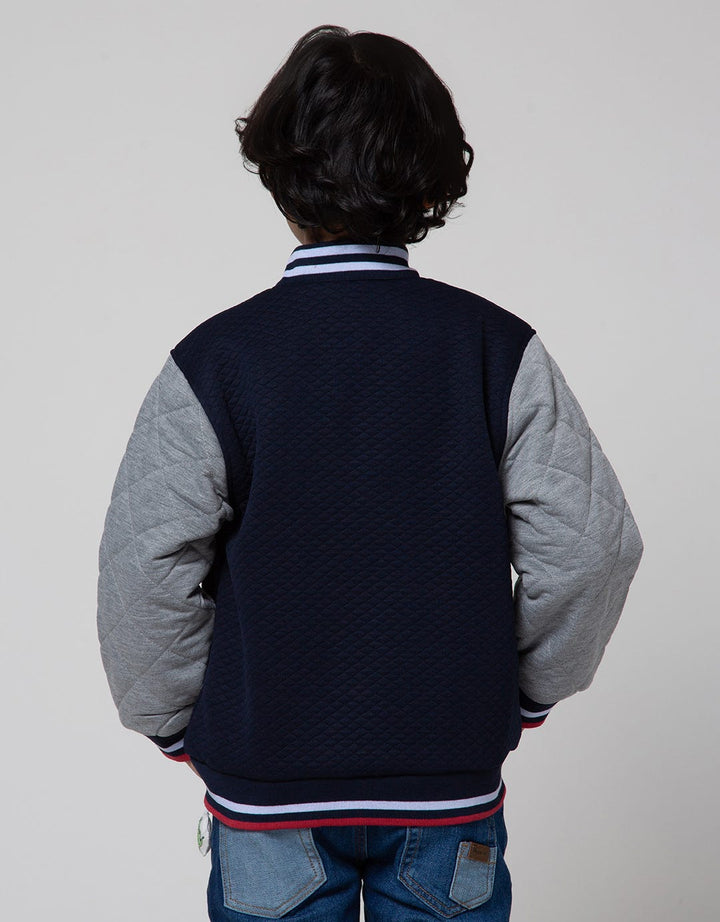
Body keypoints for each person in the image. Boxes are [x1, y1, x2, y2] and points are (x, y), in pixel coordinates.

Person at [96, 24, 644, 922]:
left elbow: (142, 571)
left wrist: (173, 721)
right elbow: (591, 549)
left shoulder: (215, 361)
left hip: (267, 791)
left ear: (279, 174)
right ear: (431, 181)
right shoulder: (496, 349)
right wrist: (519, 694)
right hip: (447, 786)